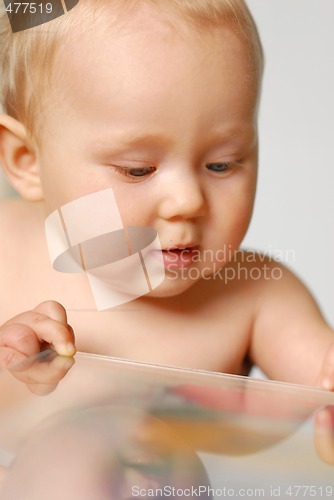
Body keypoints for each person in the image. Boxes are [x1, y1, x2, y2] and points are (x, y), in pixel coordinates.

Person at [0, 0, 333, 405]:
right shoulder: (6, 253)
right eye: (137, 170)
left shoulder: (259, 297)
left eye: (221, 164)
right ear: (27, 161)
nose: (188, 201)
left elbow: (323, 390)